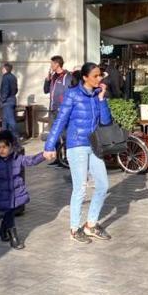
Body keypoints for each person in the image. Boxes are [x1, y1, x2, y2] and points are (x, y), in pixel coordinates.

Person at [43, 61, 112, 244]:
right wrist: (49, 146)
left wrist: (102, 99)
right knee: (80, 188)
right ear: (85, 77)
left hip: (95, 145)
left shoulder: (98, 94)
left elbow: (105, 121)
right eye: (95, 76)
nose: (99, 79)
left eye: (100, 76)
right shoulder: (72, 95)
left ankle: (90, 225)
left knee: (103, 185)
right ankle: (74, 229)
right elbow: (60, 121)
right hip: (77, 145)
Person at [0, 130, 44, 250]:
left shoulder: (18, 159)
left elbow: (31, 160)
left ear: (11, 146)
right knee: (10, 213)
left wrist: (43, 156)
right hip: (4, 194)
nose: (2, 150)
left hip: (16, 192)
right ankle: (13, 237)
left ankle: (2, 230)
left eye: (4, 147)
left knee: (10, 212)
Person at [0, 62, 19, 136]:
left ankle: (15, 139)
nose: (2, 69)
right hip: (12, 100)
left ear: (5, 69)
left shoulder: (5, 77)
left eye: (2, 68)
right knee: (5, 122)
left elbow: (5, 90)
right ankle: (5, 138)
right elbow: (16, 89)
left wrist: (2, 99)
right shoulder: (13, 77)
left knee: (10, 121)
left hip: (7, 102)